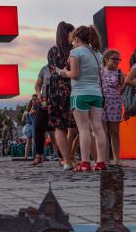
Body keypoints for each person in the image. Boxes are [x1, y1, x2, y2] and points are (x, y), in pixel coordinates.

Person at [59, 25, 108, 172]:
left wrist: (64, 72)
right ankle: (101, 162)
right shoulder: (98, 54)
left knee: (83, 129)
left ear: (76, 37)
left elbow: (75, 74)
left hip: (80, 94)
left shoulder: (75, 52)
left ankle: (85, 162)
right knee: (98, 128)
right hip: (96, 94)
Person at [46, 22, 77, 169]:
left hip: (55, 90)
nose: (74, 36)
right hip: (70, 88)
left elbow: (53, 69)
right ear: (66, 33)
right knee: (74, 126)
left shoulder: (52, 51)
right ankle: (68, 158)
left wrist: (61, 71)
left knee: (60, 126)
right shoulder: (75, 50)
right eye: (72, 33)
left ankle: (66, 161)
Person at [100, 49, 124, 165]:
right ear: (106, 59)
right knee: (103, 132)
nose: (117, 61)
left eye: (118, 59)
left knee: (114, 132)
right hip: (101, 103)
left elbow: (123, 89)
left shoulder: (119, 72)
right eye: (114, 59)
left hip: (115, 103)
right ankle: (105, 159)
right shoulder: (99, 72)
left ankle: (117, 158)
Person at [31, 65, 52, 166]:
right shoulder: (44, 69)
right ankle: (39, 156)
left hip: (59, 101)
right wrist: (38, 93)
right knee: (38, 126)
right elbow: (38, 84)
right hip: (44, 101)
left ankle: (63, 158)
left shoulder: (65, 66)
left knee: (58, 130)